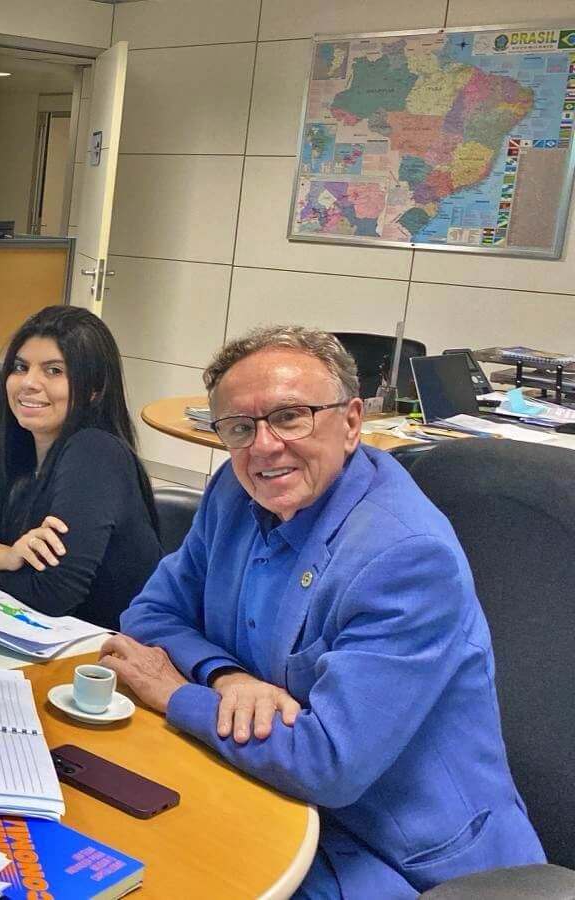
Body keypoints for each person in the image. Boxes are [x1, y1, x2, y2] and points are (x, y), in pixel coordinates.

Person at [99, 326, 543, 898]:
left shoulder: (405, 556)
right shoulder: (234, 493)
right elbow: (152, 613)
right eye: (239, 427)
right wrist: (227, 678)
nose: (263, 447)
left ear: (352, 422)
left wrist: (178, 694)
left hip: (400, 855)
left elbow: (327, 761)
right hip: (264, 793)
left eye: (290, 417)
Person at [0, 306, 159, 628]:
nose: (29, 382)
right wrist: (7, 556)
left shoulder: (95, 452)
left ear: (94, 389)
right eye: (20, 367)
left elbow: (52, 595)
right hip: (28, 632)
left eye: (54, 371)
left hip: (98, 647)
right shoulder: (14, 449)